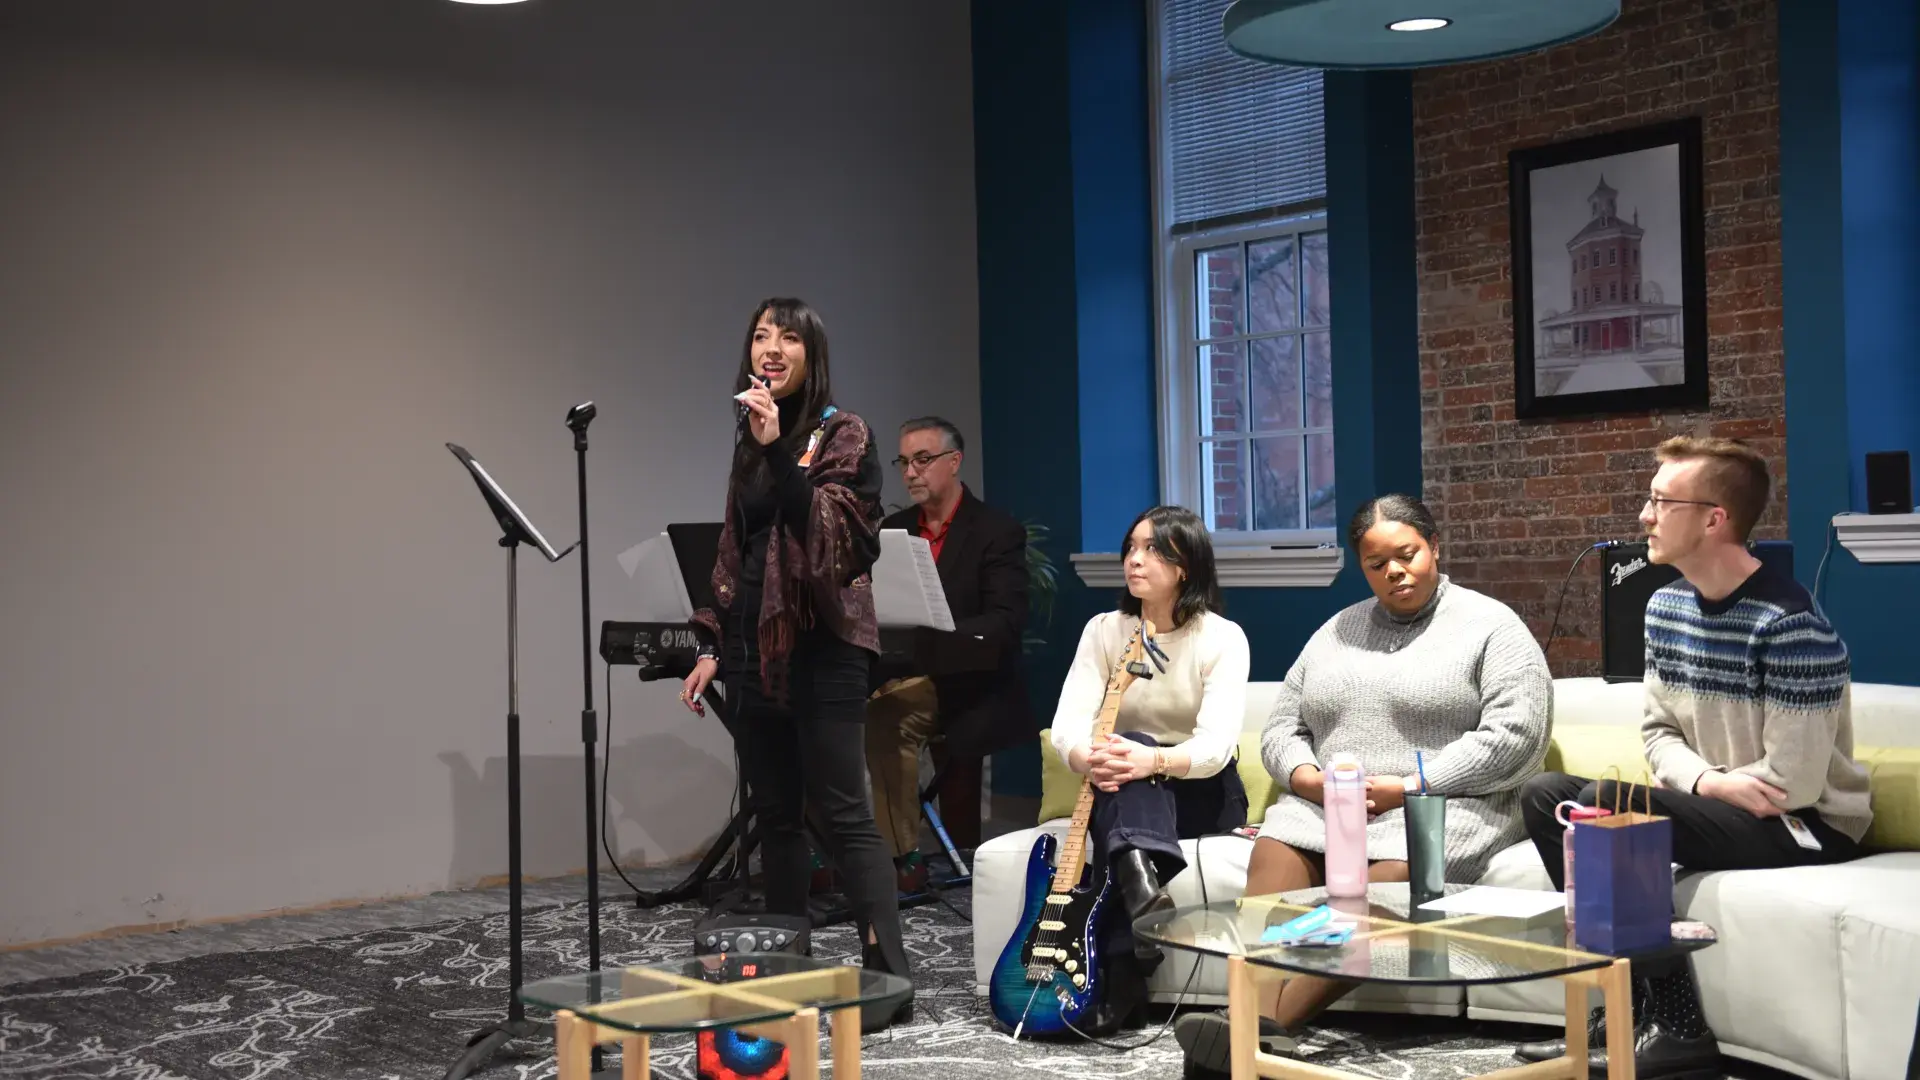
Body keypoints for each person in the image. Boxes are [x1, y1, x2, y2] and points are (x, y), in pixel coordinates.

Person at [1513, 436, 1871, 1078]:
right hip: (1727, 803)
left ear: (1714, 518)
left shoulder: (1791, 626)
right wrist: (1710, 782)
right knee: (1548, 796)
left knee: (1598, 809)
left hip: (1807, 828)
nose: (1644, 517)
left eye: (1660, 501)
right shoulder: (1665, 607)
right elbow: (1658, 737)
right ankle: (1616, 1012)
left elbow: (1791, 784)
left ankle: (1678, 1027)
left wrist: (1706, 786)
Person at [1177, 494, 1553, 1073]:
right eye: (1377, 564)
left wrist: (1410, 785)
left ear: (1434, 548)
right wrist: (1305, 779)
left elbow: (1517, 737)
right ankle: (1248, 1033)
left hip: (1442, 803)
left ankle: (1260, 1034)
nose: (1395, 572)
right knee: (1274, 864)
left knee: (1375, 894)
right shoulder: (1339, 629)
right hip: (1327, 802)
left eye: (1408, 555)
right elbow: (1282, 726)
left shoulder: (1491, 626)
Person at [680, 297, 911, 1032]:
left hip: (823, 648)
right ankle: (783, 963)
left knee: (842, 813)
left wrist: (781, 449)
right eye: (759, 336)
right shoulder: (748, 437)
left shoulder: (845, 433)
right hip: (752, 651)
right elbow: (733, 549)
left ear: (811, 353)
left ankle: (887, 978)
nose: (769, 349)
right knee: (776, 813)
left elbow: (838, 540)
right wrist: (713, 644)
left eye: (786, 337)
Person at [1047, 505, 1251, 1033]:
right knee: (1124, 755)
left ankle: (1125, 978)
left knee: (1132, 761)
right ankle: (1141, 892)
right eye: (1131, 548)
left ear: (1186, 567)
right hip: (1120, 786)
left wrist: (1151, 759)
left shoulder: (1223, 638)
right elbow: (1068, 723)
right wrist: (1086, 757)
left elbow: (1215, 747)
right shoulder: (1105, 631)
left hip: (1200, 790)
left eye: (1153, 550)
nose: (1135, 561)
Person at [866, 416, 1035, 888]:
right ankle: (826, 858)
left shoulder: (996, 531)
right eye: (905, 462)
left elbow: (1006, 619)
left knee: (888, 716)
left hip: (973, 680)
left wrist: (943, 637)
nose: (911, 473)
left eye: (923, 460)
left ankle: (901, 862)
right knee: (819, 704)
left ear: (954, 461)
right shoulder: (894, 530)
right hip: (902, 671)